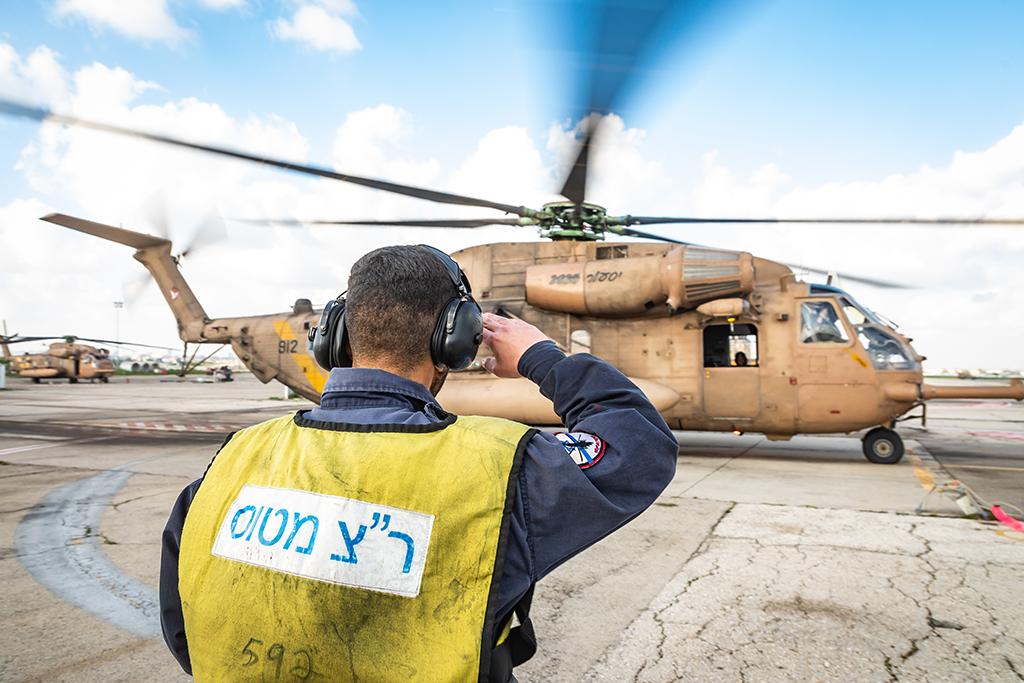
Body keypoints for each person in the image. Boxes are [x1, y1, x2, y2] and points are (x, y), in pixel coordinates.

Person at [159, 245, 678, 682]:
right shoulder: (502, 469)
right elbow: (638, 446)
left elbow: (185, 629)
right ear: (456, 341)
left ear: (336, 335)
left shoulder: (233, 459)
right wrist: (541, 357)